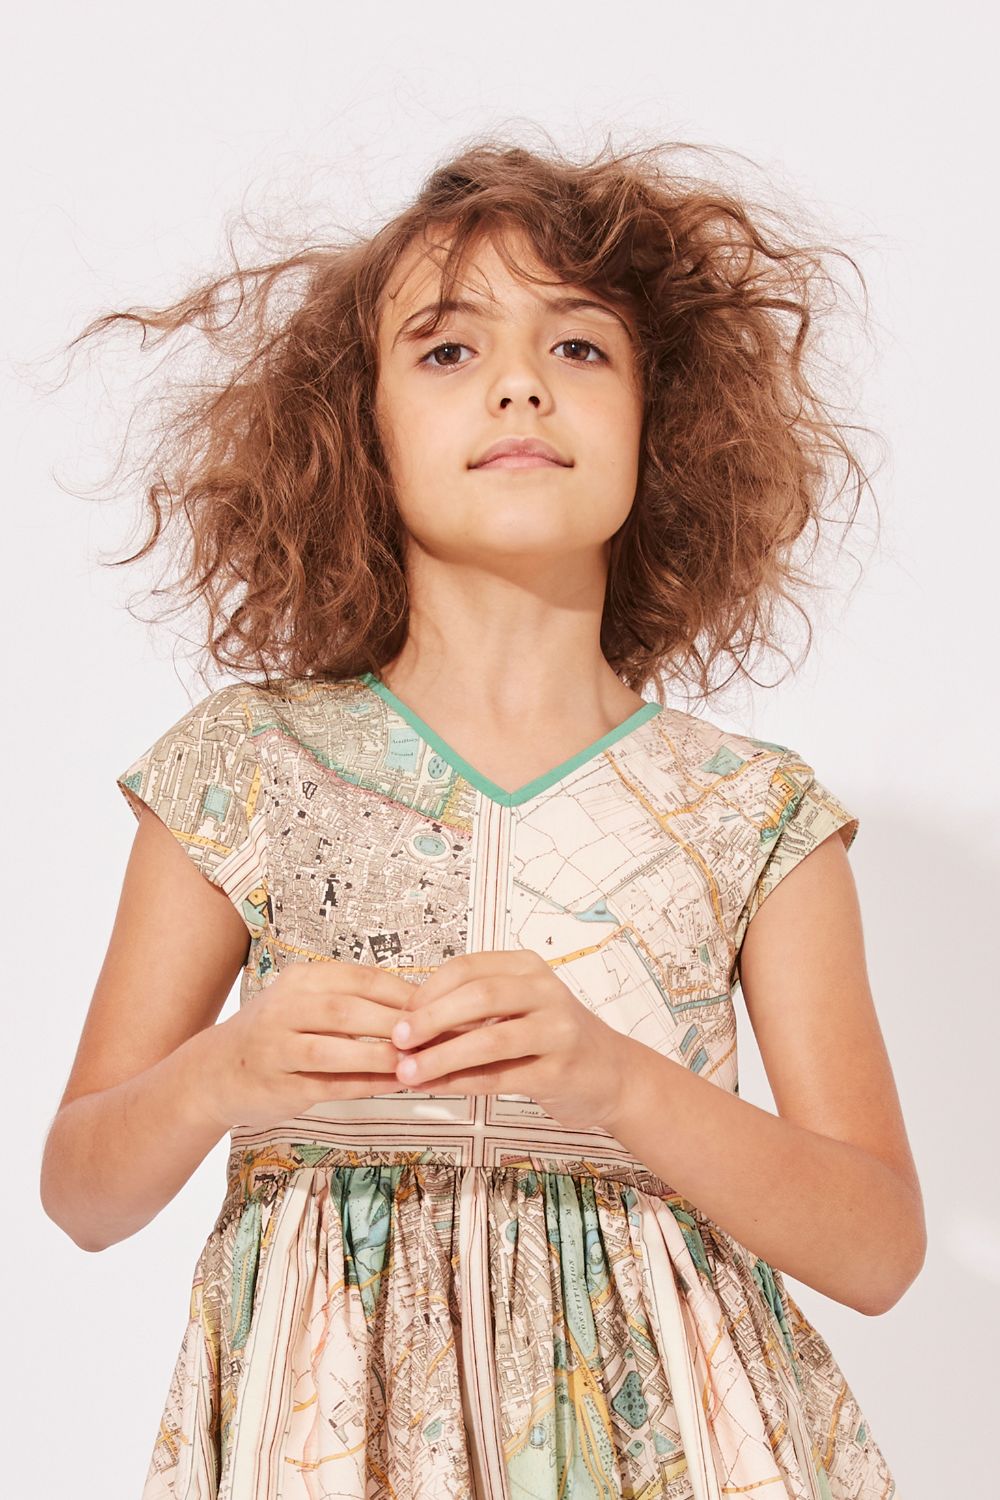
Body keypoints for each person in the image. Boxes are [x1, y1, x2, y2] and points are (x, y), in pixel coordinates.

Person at [40, 138, 924, 1500]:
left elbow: (878, 1249)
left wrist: (617, 1081)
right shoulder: (246, 767)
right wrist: (224, 1072)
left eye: (580, 346)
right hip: (330, 1447)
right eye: (449, 349)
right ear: (360, 429)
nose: (520, 381)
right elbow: (82, 1194)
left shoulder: (752, 814)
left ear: (663, 425)